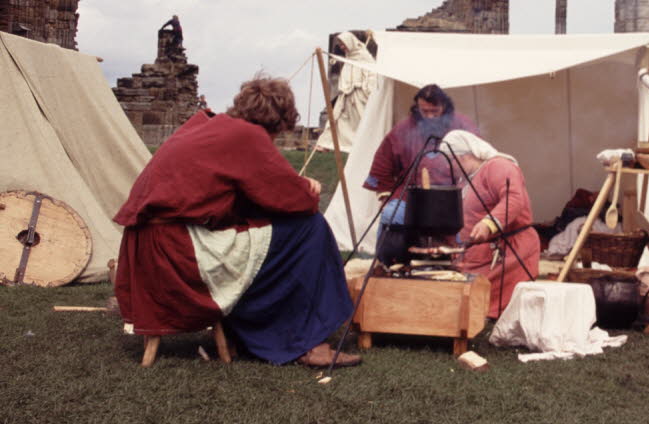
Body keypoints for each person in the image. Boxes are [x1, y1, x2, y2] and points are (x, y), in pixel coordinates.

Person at [113, 75, 359, 368]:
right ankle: (308, 342)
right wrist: (306, 186)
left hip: (153, 249)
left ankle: (251, 330)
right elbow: (297, 202)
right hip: (178, 255)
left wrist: (291, 185)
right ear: (279, 121)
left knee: (269, 231)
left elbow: (246, 192)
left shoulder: (210, 126)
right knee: (310, 229)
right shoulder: (247, 136)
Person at [441, 129, 540, 319]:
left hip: (511, 251)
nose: (448, 167)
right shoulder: (467, 179)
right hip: (480, 254)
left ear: (464, 156)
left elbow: (514, 198)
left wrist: (488, 224)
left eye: (450, 161)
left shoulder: (499, 167)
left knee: (480, 299)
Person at [364, 84, 479, 227]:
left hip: (454, 198)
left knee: (467, 223)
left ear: (444, 107)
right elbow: (383, 163)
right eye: (425, 111)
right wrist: (385, 197)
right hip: (410, 197)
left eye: (435, 111)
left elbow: (478, 162)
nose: (430, 117)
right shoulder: (404, 129)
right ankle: (388, 250)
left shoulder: (463, 125)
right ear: (417, 107)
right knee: (390, 215)